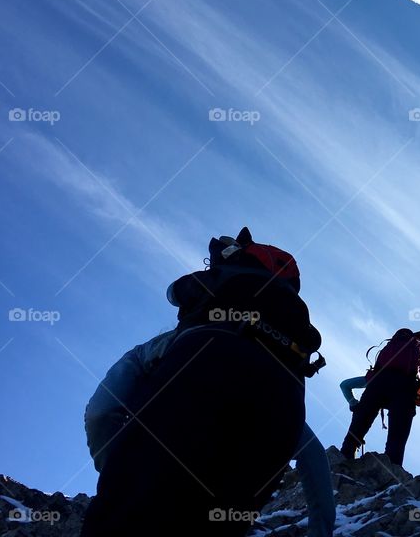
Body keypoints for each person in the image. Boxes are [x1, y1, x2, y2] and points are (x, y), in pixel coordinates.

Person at [81, 228, 328, 537]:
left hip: (196, 366)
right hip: (284, 405)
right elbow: (312, 454)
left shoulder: (184, 331)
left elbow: (101, 411)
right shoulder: (289, 347)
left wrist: (118, 474)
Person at [340, 373, 420, 477]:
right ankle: (389, 487)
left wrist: (353, 403)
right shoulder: (419, 385)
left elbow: (344, 385)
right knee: (395, 451)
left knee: (351, 441)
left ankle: (341, 467)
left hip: (376, 386)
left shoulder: (380, 373)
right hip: (405, 398)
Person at [339, 328, 420, 467]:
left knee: (357, 429)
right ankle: (392, 474)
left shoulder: (381, 364)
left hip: (378, 382)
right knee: (396, 441)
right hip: (406, 388)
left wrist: (353, 403)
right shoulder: (418, 351)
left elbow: (344, 384)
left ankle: (343, 460)